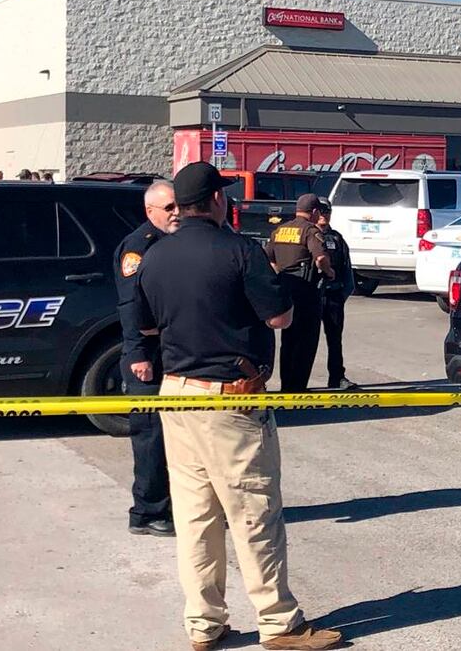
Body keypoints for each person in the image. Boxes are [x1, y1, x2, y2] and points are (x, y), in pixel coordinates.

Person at [133, 162, 342, 651]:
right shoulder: (238, 250)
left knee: (195, 518)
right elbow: (280, 317)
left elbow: (145, 326)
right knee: (253, 511)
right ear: (215, 201)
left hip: (176, 393)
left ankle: (203, 624)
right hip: (230, 398)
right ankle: (279, 623)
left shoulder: (155, 255)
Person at [113, 181, 179, 538]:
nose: (176, 213)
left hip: (170, 350)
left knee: (173, 433)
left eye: (178, 206)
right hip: (147, 354)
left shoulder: (171, 243)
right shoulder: (139, 247)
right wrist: (138, 353)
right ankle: (147, 512)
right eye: (169, 208)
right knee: (150, 435)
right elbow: (130, 304)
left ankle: (169, 505)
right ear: (150, 211)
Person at [264, 194, 335, 393]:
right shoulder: (310, 231)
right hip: (306, 292)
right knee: (306, 341)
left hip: (286, 290)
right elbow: (320, 258)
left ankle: (286, 385)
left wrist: (280, 275)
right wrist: (330, 272)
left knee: (288, 340)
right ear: (315, 212)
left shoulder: (280, 230)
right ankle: (298, 388)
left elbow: (269, 258)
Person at [316, 199, 357, 390]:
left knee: (335, 340)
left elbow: (347, 270)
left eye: (327, 211)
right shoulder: (307, 235)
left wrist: (342, 296)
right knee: (304, 341)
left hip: (333, 296)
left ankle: (337, 377)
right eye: (321, 211)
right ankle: (297, 381)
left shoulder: (337, 238)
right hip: (311, 297)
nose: (324, 215)